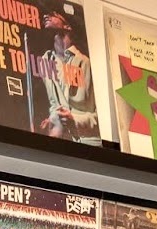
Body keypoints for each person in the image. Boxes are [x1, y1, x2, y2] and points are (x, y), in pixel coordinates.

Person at [40, 13, 102, 144]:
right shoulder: (45, 61)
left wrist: (74, 118)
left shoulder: (85, 63)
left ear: (67, 26)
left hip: (88, 141)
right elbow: (54, 104)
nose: (46, 15)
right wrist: (53, 119)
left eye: (53, 14)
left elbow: (102, 117)